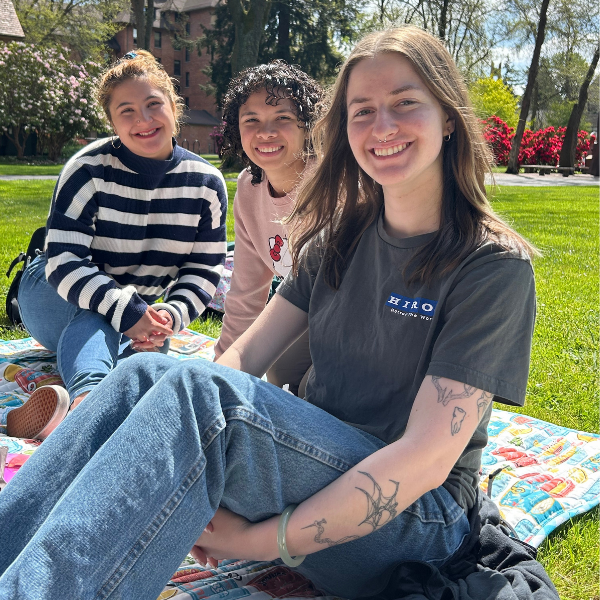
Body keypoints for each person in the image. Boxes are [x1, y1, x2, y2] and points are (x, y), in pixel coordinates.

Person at [0, 27, 537, 600]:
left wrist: (255, 541)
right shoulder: (337, 240)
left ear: (449, 117)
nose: (382, 127)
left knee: (204, 399)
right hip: (320, 464)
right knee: (144, 376)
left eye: (405, 103)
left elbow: (425, 461)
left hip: (420, 521)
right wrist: (176, 426)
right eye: (362, 110)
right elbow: (246, 353)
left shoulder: (490, 268)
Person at [5, 50, 227, 440]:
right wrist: (128, 312)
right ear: (111, 122)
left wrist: (170, 316)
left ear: (174, 107)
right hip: (52, 288)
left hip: (137, 303)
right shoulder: (88, 169)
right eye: (127, 111)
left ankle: (54, 415)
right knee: (103, 315)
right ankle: (87, 408)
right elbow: (64, 263)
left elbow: (204, 268)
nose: (143, 120)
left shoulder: (206, 183)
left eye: (153, 105)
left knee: (143, 357)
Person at [213, 62, 323, 396]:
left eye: (283, 118)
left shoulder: (336, 180)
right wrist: (215, 373)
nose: (266, 132)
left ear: (308, 126)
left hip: (358, 323)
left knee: (315, 393)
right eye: (252, 121)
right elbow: (246, 295)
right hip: (299, 316)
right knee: (279, 374)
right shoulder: (249, 187)